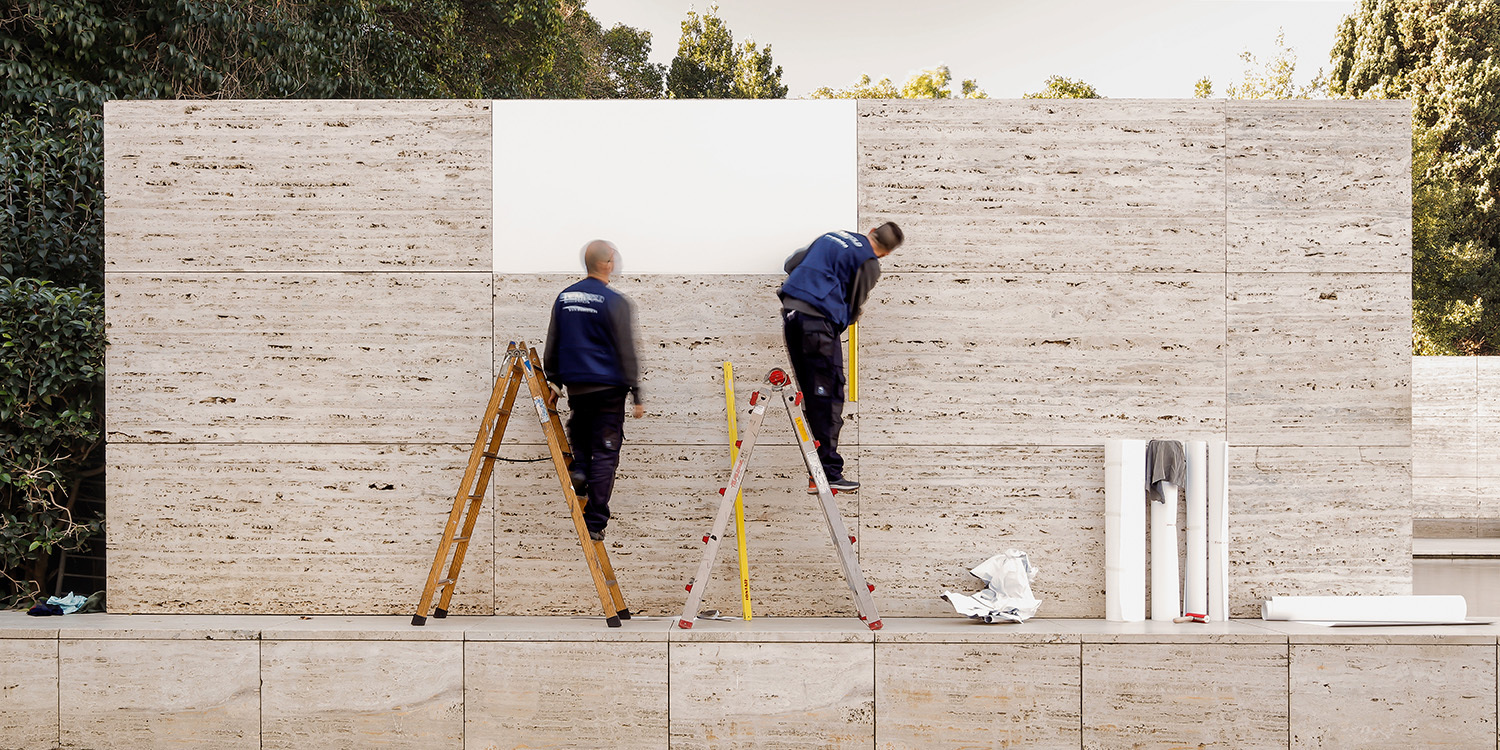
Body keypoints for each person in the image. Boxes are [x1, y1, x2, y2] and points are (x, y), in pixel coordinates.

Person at [778, 222, 904, 494]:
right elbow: (854, 302)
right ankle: (827, 473)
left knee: (813, 395)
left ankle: (819, 471)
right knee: (828, 395)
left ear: (871, 230)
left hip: (792, 317)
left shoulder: (830, 238)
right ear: (886, 253)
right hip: (817, 326)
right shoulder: (868, 262)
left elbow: (792, 263)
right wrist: (842, 320)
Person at [543, 240, 645, 541]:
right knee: (606, 453)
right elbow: (626, 349)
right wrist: (636, 393)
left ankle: (582, 473)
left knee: (580, 437)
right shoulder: (615, 302)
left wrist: (555, 381)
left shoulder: (565, 298)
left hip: (578, 388)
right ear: (608, 262)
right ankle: (596, 522)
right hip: (609, 390)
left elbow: (554, 341)